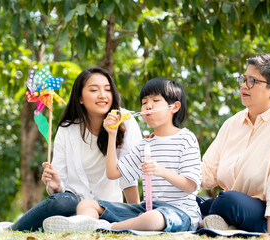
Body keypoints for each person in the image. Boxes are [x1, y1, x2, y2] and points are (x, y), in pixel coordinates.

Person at [42, 77, 202, 233]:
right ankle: (84, 224)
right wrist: (112, 134)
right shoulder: (145, 145)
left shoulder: (186, 139)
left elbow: (190, 185)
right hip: (148, 209)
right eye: (144, 102)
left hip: (181, 212)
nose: (148, 106)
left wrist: (161, 171)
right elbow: (113, 173)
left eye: (155, 101)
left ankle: (103, 227)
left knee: (152, 218)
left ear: (174, 107)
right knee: (86, 204)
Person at [9, 67, 142, 232]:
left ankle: (80, 225)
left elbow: (128, 176)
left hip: (108, 208)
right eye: (94, 90)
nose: (102, 95)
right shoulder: (67, 129)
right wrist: (56, 185)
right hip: (71, 206)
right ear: (80, 98)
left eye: (107, 90)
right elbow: (59, 187)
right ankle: (12, 230)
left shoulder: (125, 121)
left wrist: (136, 214)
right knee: (62, 201)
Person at [197, 53, 270, 233]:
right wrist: (169, 159)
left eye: (252, 81)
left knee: (227, 201)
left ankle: (212, 224)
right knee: (192, 203)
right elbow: (206, 174)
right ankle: (222, 225)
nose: (244, 86)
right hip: (235, 210)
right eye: (244, 79)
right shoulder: (232, 123)